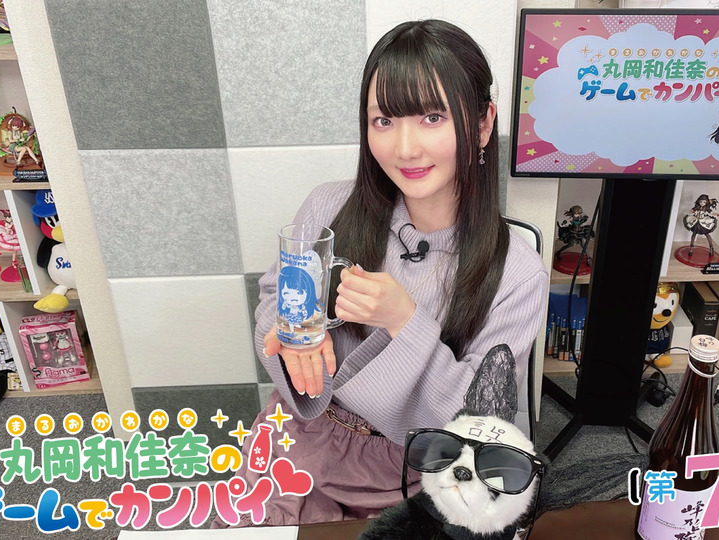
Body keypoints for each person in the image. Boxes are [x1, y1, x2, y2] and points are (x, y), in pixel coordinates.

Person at [213, 19, 548, 527]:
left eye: (432, 117)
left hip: (419, 472)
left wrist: (406, 324)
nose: (404, 148)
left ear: (483, 124)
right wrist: (292, 336)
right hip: (298, 439)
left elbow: (480, 424)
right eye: (384, 120)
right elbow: (274, 302)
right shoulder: (328, 208)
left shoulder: (517, 275)